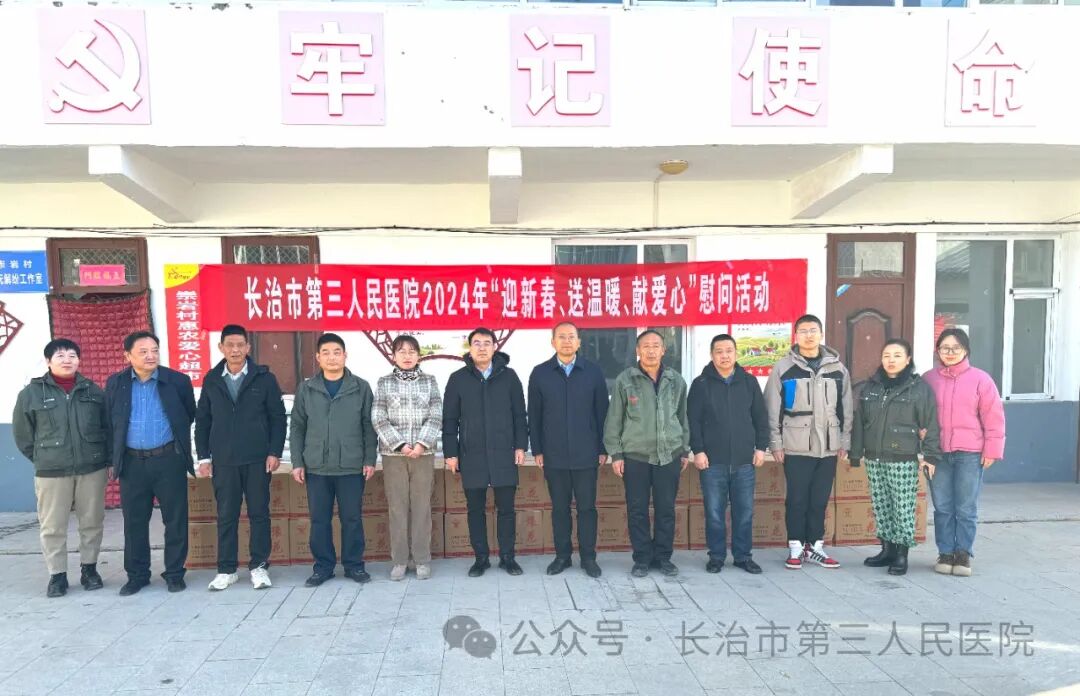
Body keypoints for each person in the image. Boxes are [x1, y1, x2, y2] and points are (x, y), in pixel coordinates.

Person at [13, 339, 110, 597]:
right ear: (48, 361)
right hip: (51, 472)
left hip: (91, 469)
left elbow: (107, 427)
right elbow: (23, 435)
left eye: (72, 355)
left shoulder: (93, 391)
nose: (67, 360)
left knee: (92, 522)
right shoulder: (31, 394)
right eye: (60, 355)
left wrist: (104, 459)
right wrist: (44, 458)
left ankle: (90, 569)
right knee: (53, 526)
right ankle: (57, 575)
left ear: (79, 360)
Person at [194, 325, 287, 591]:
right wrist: (203, 457)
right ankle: (226, 569)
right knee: (226, 515)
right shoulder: (212, 379)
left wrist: (274, 452)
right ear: (221, 348)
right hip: (224, 460)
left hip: (257, 459)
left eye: (240, 345)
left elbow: (277, 418)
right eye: (230, 345)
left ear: (248, 347)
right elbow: (203, 421)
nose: (235, 350)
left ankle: (259, 566)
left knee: (259, 513)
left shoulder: (264, 378)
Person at [105, 331, 196, 596]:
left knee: (175, 519)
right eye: (143, 351)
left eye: (154, 350)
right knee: (134, 522)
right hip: (132, 463)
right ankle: (137, 575)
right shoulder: (116, 383)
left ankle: (175, 573)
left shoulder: (177, 381)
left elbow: (188, 415)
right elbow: (109, 423)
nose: (150, 356)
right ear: (128, 356)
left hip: (168, 460)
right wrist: (112, 459)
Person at [289, 333, 377, 586]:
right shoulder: (307, 389)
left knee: (352, 519)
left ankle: (354, 565)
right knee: (319, 520)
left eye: (337, 352)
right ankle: (323, 567)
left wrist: (369, 458)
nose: (332, 357)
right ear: (318, 357)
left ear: (345, 355)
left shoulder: (360, 387)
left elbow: (368, 426)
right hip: (317, 466)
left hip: (351, 465)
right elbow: (297, 427)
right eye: (326, 352)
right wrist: (297, 462)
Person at [765, 314, 851, 570]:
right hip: (796, 445)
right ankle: (795, 547)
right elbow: (772, 408)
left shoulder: (837, 369)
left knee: (819, 499)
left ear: (821, 334)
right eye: (803, 331)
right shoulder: (783, 368)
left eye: (813, 330)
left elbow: (846, 408)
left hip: (828, 446)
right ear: (796, 336)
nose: (809, 335)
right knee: (797, 499)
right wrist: (775, 443)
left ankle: (815, 547)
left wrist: (844, 440)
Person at [849, 338, 941, 576]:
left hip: (903, 458)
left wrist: (930, 455)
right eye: (887, 355)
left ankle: (901, 554)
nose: (891, 360)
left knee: (902, 507)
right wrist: (855, 453)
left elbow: (930, 423)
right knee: (881, 505)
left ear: (908, 359)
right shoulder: (871, 387)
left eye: (897, 355)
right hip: (875, 457)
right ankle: (887, 550)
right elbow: (860, 423)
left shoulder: (918, 389)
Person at [443, 327, 528, 577]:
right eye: (477, 343)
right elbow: (450, 419)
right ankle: (480, 559)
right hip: (472, 454)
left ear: (494, 347)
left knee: (507, 509)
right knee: (475, 510)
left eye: (487, 343)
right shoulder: (458, 379)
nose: (482, 348)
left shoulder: (509, 376)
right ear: (470, 348)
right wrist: (451, 452)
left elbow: (519, 414)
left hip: (504, 452)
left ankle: (507, 557)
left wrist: (521, 445)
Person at [604, 330, 690, 578]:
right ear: (637, 351)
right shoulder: (625, 380)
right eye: (646, 346)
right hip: (635, 457)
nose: (651, 350)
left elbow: (682, 417)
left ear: (663, 350)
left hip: (669, 455)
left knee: (666, 510)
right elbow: (614, 420)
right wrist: (616, 454)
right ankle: (641, 558)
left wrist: (684, 449)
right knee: (637, 510)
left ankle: (663, 558)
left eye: (656, 346)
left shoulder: (676, 380)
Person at [528, 322, 609, 579]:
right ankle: (562, 556)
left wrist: (603, 447)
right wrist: (537, 449)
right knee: (560, 508)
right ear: (552, 342)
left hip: (587, 454)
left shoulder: (593, 372)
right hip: (554, 454)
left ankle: (588, 557)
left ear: (579, 342)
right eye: (561, 337)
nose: (566, 341)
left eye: (571, 337)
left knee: (587, 508)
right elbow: (534, 415)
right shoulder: (540, 373)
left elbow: (602, 413)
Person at [923, 328, 1005, 577]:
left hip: (970, 452)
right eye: (944, 348)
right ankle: (945, 552)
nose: (950, 352)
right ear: (938, 351)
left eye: (956, 348)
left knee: (966, 507)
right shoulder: (928, 379)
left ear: (966, 350)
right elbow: (920, 416)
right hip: (938, 454)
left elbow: (993, 417)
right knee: (942, 506)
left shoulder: (981, 380)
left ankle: (963, 553)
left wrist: (992, 450)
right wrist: (922, 448)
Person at [687, 334, 769, 575]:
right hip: (712, 461)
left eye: (729, 351)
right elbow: (693, 421)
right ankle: (716, 557)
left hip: (744, 460)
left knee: (744, 513)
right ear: (711, 355)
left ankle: (743, 557)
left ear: (736, 353)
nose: (724, 356)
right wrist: (698, 450)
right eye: (719, 351)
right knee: (714, 513)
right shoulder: (701, 384)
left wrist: (761, 447)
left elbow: (760, 417)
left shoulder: (749, 382)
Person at [373, 334, 442, 581]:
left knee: (422, 508)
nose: (407, 356)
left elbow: (436, 414)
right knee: (397, 508)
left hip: (424, 454)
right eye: (401, 351)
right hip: (394, 455)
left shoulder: (430, 381)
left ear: (419, 356)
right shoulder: (384, 383)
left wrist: (421, 444)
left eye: (412, 351)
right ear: (393, 356)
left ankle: (422, 560)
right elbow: (378, 418)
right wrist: (401, 445)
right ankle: (400, 560)